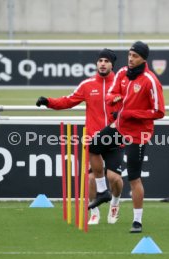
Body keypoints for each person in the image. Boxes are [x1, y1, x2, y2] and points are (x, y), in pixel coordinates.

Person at [36, 49, 124, 225]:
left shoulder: (122, 84)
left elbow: (132, 104)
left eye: (106, 61)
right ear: (96, 63)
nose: (103, 63)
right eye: (100, 60)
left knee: (115, 179)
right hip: (93, 138)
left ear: (112, 64)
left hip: (115, 137)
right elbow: (68, 100)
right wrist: (48, 102)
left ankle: (114, 204)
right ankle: (95, 212)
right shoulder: (87, 85)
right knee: (90, 179)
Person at [88, 41, 165, 233]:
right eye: (129, 55)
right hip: (119, 127)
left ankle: (137, 221)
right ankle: (103, 191)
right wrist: (115, 100)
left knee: (134, 178)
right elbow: (111, 94)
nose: (130, 59)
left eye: (135, 56)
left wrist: (132, 113)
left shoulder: (150, 80)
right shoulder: (122, 73)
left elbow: (159, 111)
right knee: (93, 146)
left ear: (143, 58)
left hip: (138, 134)